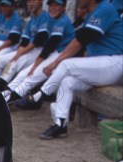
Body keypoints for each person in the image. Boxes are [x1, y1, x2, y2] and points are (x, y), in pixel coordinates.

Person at [31, 0, 123, 139]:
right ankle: (60, 125)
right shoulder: (93, 13)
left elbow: (80, 41)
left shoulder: (105, 8)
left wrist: (55, 63)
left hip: (112, 63)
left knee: (65, 64)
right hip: (99, 67)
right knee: (67, 82)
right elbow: (86, 45)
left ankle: (40, 95)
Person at [3, 0, 75, 106]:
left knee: (33, 76)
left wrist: (35, 65)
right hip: (54, 53)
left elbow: (50, 46)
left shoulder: (63, 21)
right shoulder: (52, 19)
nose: (53, 8)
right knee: (24, 73)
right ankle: (4, 94)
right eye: (51, 5)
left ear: (64, 7)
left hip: (63, 55)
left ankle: (7, 101)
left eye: (57, 5)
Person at [0, 0, 52, 89]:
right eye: (29, 2)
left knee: (14, 64)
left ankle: (0, 91)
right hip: (29, 49)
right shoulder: (32, 19)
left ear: (40, 2)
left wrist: (19, 54)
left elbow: (38, 41)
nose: (30, 4)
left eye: (33, 1)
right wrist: (18, 52)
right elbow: (25, 40)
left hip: (40, 50)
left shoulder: (46, 17)